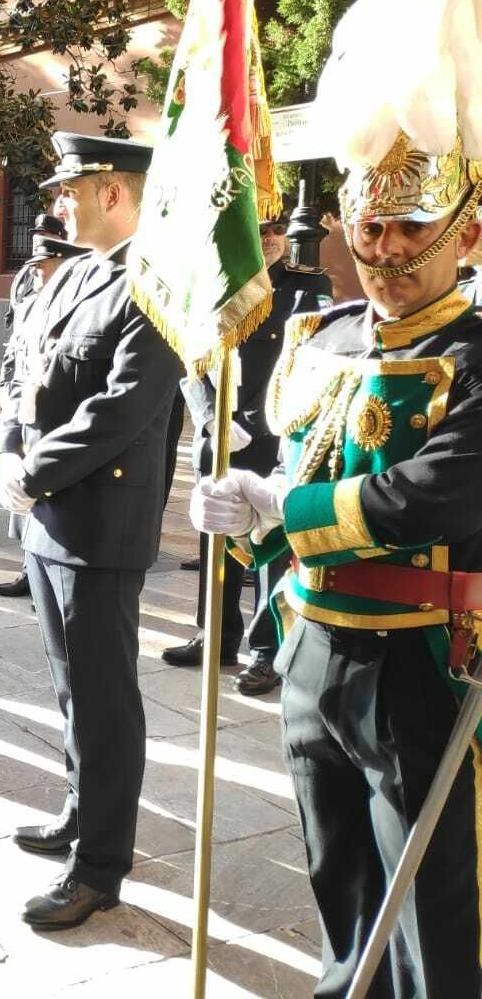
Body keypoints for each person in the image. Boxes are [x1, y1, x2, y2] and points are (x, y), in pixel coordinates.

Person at [193, 0, 482, 999]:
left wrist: (286, 513)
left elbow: (431, 494)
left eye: (412, 228)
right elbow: (293, 459)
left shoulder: (473, 351)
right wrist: (239, 523)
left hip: (426, 659)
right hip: (311, 641)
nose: (387, 249)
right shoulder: (319, 335)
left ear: (465, 228)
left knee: (433, 908)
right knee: (334, 876)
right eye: (370, 226)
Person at [0, 131, 180, 930]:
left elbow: (122, 409)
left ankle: (100, 863)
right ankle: (79, 810)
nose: (57, 201)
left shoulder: (158, 282)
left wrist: (31, 473)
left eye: (71, 188)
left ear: (115, 193)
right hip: (48, 518)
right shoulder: (75, 276)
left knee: (104, 699)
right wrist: (4, 452)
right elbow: (18, 377)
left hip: (98, 521)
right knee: (71, 688)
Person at [160, 216, 333, 690]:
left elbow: (308, 365)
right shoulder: (212, 285)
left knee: (267, 547)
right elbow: (188, 355)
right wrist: (211, 416)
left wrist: (259, 423)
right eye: (257, 230)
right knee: (214, 540)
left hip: (272, 439)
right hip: (218, 435)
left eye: (276, 229)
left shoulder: (306, 287)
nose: (269, 240)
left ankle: (266, 648)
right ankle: (212, 634)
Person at [0, 217, 87, 599]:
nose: (38, 275)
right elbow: (16, 349)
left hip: (56, 421)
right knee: (19, 493)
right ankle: (28, 567)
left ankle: (41, 570)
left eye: (45, 268)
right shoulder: (32, 299)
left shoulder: (78, 303)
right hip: (23, 404)